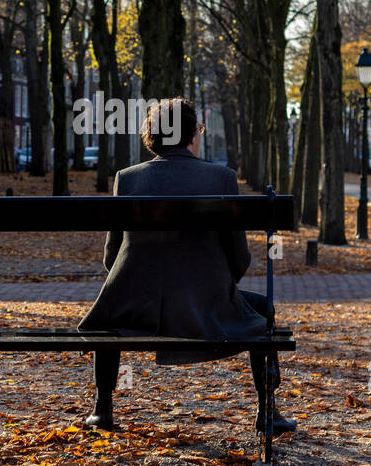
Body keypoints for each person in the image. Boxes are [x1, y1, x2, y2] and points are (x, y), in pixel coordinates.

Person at [77, 97, 295, 436]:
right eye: (200, 129)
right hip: (203, 307)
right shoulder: (221, 178)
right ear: (192, 134)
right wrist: (215, 288)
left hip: (136, 309)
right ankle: (268, 411)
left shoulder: (127, 179)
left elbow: (112, 257)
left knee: (110, 312)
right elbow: (239, 257)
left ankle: (102, 408)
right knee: (264, 309)